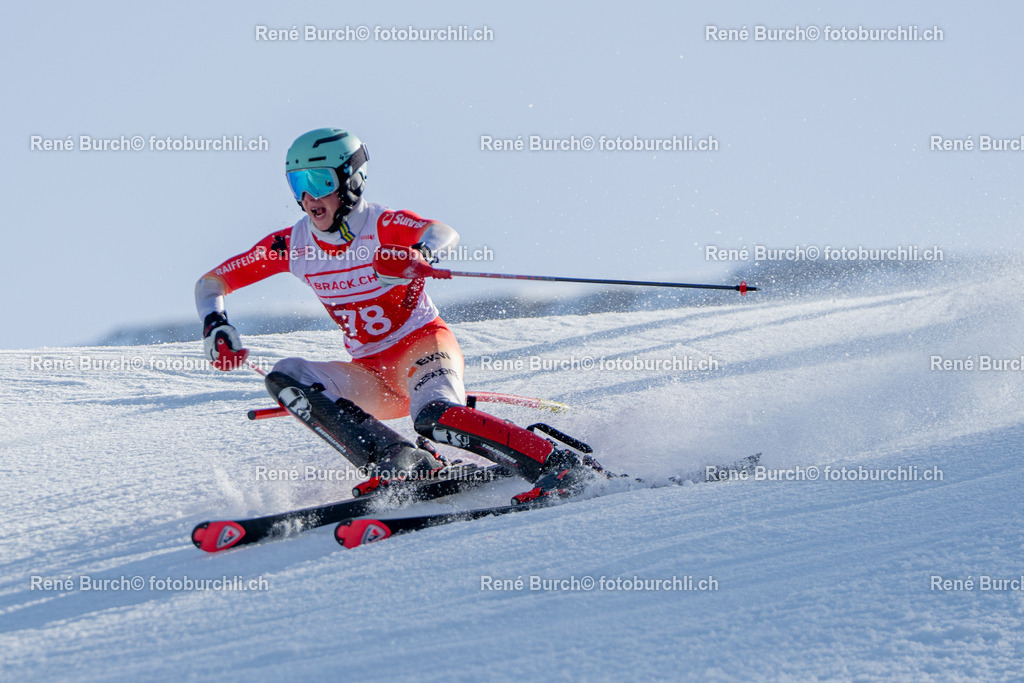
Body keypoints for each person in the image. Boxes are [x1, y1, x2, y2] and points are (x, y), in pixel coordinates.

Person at [195, 127, 592, 501]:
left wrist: (418, 255)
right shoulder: (292, 244)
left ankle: (558, 464)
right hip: (371, 374)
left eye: (320, 182)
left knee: (436, 417)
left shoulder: (381, 224)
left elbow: (441, 232)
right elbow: (212, 283)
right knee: (287, 376)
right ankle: (401, 460)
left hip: (423, 349)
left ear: (351, 181)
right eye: (298, 184)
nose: (309, 197)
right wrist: (216, 323)